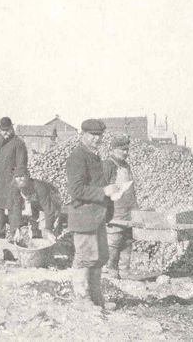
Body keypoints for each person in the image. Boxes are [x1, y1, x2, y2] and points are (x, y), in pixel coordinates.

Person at [66, 118, 118, 308]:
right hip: (84, 216)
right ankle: (82, 299)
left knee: (99, 257)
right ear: (83, 135)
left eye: (100, 135)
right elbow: (76, 190)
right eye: (93, 135)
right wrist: (103, 192)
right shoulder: (78, 157)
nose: (97, 139)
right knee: (85, 259)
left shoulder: (93, 156)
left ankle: (97, 299)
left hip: (97, 216)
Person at [102, 135, 139, 279]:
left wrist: (136, 209)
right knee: (114, 241)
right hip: (114, 211)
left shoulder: (126, 166)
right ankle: (111, 270)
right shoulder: (107, 165)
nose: (125, 152)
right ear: (113, 149)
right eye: (122, 149)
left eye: (127, 149)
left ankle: (124, 271)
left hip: (128, 210)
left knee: (128, 241)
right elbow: (102, 189)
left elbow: (131, 189)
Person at [0, 117, 28, 241]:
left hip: (12, 182)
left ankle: (14, 235)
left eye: (7, 130)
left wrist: (18, 182)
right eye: (2, 130)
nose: (5, 132)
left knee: (14, 208)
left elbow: (21, 165)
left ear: (12, 129)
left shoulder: (19, 143)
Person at [12, 169, 62, 243]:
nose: (19, 179)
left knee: (48, 232)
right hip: (35, 202)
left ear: (28, 176)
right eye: (17, 177)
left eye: (22, 176)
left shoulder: (40, 187)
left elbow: (48, 209)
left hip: (52, 201)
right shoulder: (16, 187)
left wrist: (48, 229)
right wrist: (17, 228)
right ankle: (36, 239)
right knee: (34, 226)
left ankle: (52, 245)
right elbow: (16, 207)